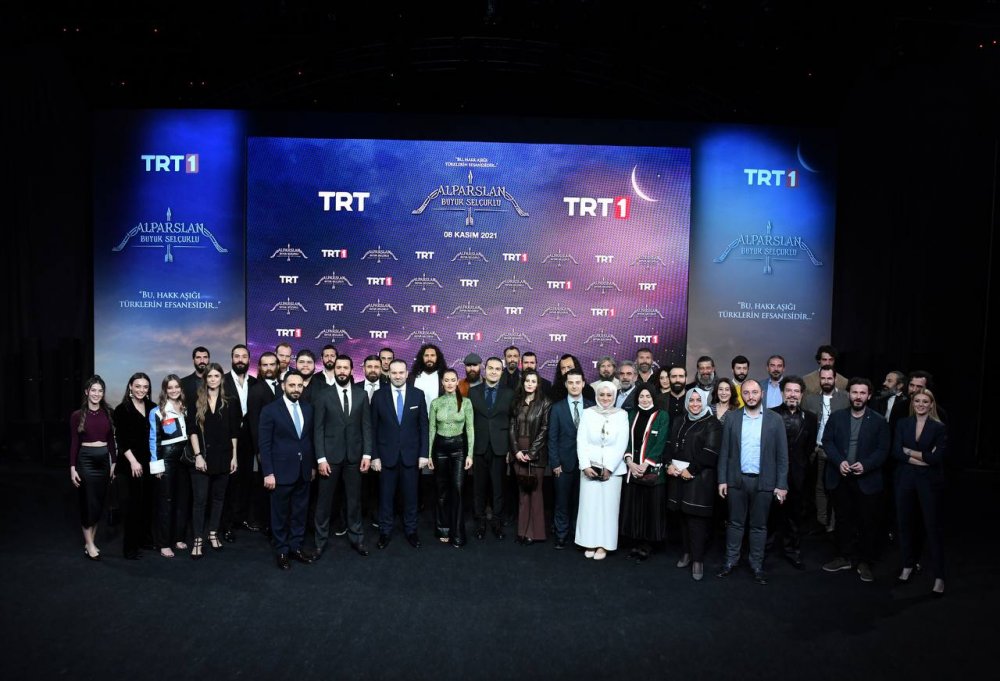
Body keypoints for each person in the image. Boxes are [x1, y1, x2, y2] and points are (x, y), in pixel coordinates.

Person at [716, 379, 789, 585]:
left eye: (754, 392)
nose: (750, 396)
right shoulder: (732, 418)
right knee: (735, 524)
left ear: (762, 394)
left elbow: (782, 456)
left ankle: (756, 565)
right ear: (742, 395)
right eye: (746, 393)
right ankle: (730, 561)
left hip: (765, 482)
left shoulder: (775, 420)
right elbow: (724, 452)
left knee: (759, 526)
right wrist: (722, 479)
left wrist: (782, 485)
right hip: (736, 480)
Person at [820, 378, 890, 583]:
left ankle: (864, 562)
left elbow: (883, 450)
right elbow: (827, 441)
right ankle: (844, 557)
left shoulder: (879, 421)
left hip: (866, 480)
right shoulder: (837, 417)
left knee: (867, 521)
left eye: (862, 393)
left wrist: (866, 465)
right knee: (843, 520)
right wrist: (839, 461)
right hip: (840, 477)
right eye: (854, 392)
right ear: (849, 394)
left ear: (869, 396)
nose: (858, 397)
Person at [313, 355, 372, 558]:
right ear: (334, 369)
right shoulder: (323, 395)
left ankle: (357, 539)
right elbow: (318, 429)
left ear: (352, 370)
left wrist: (367, 454)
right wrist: (321, 458)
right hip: (329, 458)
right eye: (338, 367)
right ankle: (320, 542)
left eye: (345, 368)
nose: (341, 371)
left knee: (354, 502)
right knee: (324, 502)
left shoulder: (362, 395)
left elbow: (366, 427)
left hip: (355, 457)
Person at [893, 388, 948, 596]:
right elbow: (896, 451)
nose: (921, 404)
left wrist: (909, 451)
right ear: (912, 403)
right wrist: (922, 457)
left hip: (929, 482)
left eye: (925, 401)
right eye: (917, 401)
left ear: (931, 404)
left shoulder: (939, 428)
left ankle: (939, 576)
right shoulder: (903, 423)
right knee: (904, 524)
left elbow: (935, 459)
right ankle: (907, 565)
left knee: (932, 527)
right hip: (905, 479)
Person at [259, 369, 316, 570]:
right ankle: (282, 551)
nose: (296, 389)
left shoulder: (308, 409)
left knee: (300, 512)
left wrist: (311, 466)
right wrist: (268, 472)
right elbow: (264, 444)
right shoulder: (270, 410)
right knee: (280, 515)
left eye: (299, 385)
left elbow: (309, 440)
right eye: (292, 385)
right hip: (280, 472)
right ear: (283, 386)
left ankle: (296, 547)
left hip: (303, 471)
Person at [370, 359, 429, 549]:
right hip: (385, 457)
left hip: (411, 456)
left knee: (411, 498)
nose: (397, 376)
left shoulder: (417, 395)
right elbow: (372, 428)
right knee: (385, 498)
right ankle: (385, 532)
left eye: (401, 372)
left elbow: (424, 427)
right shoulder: (379, 396)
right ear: (388, 374)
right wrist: (374, 456)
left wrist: (424, 454)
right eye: (394, 373)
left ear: (406, 373)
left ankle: (411, 531)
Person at [666, 388, 721, 580]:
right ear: (686, 402)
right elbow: (669, 445)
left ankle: (698, 560)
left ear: (704, 401)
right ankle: (686, 553)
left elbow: (710, 452)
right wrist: (668, 464)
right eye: (691, 400)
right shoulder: (679, 420)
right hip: (677, 476)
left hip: (699, 480)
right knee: (682, 516)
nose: (695, 404)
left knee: (696, 521)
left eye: (699, 400)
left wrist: (692, 470)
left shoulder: (712, 422)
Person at [188, 363, 240, 559]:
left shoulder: (231, 401)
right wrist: (198, 456)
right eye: (209, 376)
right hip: (202, 457)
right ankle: (198, 540)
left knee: (218, 499)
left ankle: (212, 533)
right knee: (200, 501)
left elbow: (234, 432)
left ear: (221, 379)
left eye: (216, 376)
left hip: (224, 456)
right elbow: (192, 430)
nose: (212, 379)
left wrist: (234, 456)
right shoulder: (195, 400)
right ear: (205, 379)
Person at [575, 381, 630, 560]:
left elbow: (622, 443)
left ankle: (604, 545)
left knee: (608, 509)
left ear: (614, 397)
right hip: (590, 468)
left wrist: (610, 467)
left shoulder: (622, 415)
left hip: (613, 471)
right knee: (589, 507)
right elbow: (581, 440)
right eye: (601, 395)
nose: (605, 398)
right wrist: (585, 465)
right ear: (596, 396)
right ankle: (588, 542)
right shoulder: (588, 413)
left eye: (609, 395)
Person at [769, 376, 818, 569]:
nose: (792, 394)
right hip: (773, 474)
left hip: (799, 475)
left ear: (802, 394)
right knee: (770, 514)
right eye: (788, 390)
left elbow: (810, 447)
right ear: (782, 393)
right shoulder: (771, 415)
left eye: (796, 391)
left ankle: (792, 551)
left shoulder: (811, 418)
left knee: (795, 516)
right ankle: (765, 550)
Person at [620, 385, 671, 563]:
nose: (644, 399)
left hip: (652, 471)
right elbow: (625, 440)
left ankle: (647, 546)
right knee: (635, 509)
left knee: (650, 509)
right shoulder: (631, 415)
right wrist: (630, 462)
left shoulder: (662, 416)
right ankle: (635, 543)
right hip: (632, 469)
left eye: (648, 396)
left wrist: (645, 464)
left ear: (653, 397)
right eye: (641, 396)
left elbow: (661, 442)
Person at [70, 375, 117, 560]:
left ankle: (91, 542)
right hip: (86, 461)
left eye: (100, 391)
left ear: (103, 393)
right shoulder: (77, 415)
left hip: (104, 462)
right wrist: (72, 468)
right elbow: (74, 443)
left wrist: (114, 462)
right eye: (93, 390)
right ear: (87, 392)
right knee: (88, 503)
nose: (97, 394)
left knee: (98, 504)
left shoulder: (108, 413)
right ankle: (89, 544)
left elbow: (111, 441)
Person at [548, 368, 595, 549]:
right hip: (563, 464)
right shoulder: (557, 408)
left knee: (582, 502)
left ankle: (578, 535)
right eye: (571, 383)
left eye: (577, 382)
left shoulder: (592, 406)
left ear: (583, 384)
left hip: (587, 464)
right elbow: (552, 438)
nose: (574, 386)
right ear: (566, 385)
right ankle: (561, 535)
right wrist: (555, 463)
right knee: (562, 502)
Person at [467, 357, 513, 540]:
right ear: (484, 370)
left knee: (498, 488)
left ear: (502, 372)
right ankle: (479, 523)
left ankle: (497, 523)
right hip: (479, 446)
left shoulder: (509, 393)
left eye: (498, 369)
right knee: (478, 488)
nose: (494, 372)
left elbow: (512, 422)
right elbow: (469, 422)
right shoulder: (473, 392)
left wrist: (510, 448)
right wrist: (469, 449)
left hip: (500, 447)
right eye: (491, 368)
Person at [428, 368, 474, 547]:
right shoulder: (435, 403)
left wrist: (470, 454)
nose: (449, 383)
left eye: (452, 380)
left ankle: (458, 532)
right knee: (441, 491)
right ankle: (443, 528)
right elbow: (432, 429)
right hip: (439, 449)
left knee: (458, 489)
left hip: (459, 449)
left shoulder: (466, 402)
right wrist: (429, 454)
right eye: (446, 380)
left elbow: (470, 429)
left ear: (457, 382)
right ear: (442, 382)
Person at [113, 372, 155, 559]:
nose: (141, 390)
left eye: (145, 387)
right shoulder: (122, 409)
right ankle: (130, 549)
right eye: (138, 386)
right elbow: (121, 440)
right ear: (130, 386)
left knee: (147, 503)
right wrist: (133, 461)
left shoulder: (152, 407)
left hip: (149, 463)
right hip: (130, 463)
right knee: (132, 506)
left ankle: (144, 540)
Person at [802, 366, 850, 533]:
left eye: (829, 378)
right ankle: (822, 521)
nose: (826, 381)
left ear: (835, 379)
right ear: (819, 379)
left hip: (838, 451)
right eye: (823, 378)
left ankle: (835, 523)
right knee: (819, 487)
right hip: (818, 449)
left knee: (837, 488)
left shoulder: (846, 398)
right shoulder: (810, 399)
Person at [148, 374, 191, 557]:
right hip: (166, 458)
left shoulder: (186, 407)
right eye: (170, 387)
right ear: (165, 390)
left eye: (177, 387)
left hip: (185, 458)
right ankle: (164, 543)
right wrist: (157, 466)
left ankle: (178, 538)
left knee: (182, 499)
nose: (174, 390)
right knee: (166, 500)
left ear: (181, 388)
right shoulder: (157, 411)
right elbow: (154, 440)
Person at [508, 369, 551, 544]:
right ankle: (522, 531)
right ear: (523, 382)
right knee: (523, 493)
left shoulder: (545, 402)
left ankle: (535, 533)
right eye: (527, 381)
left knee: (535, 492)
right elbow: (511, 428)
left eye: (533, 381)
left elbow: (545, 429)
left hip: (537, 453)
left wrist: (532, 452)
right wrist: (516, 451)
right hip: (518, 452)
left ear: (538, 384)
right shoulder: (516, 401)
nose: (530, 384)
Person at [221, 344, 258, 540]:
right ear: (232, 359)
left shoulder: (255, 382)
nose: (240, 360)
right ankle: (227, 525)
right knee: (230, 482)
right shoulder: (223, 381)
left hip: (250, 439)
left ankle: (242, 518)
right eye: (237, 356)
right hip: (229, 439)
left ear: (249, 360)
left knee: (247, 480)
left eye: (244, 356)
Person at [409, 343, 446, 411]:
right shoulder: (412, 377)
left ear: (437, 357)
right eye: (426, 355)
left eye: (432, 355)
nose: (429, 358)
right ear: (421, 358)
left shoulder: (444, 377)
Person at [180, 346, 210, 412]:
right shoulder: (183, 383)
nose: (202, 361)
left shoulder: (219, 381)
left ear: (209, 359)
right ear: (193, 360)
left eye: (205, 357)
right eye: (198, 357)